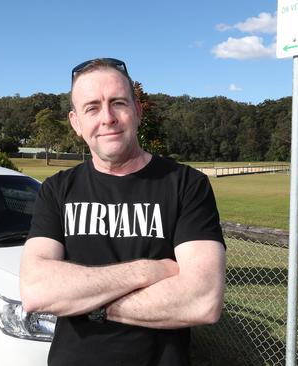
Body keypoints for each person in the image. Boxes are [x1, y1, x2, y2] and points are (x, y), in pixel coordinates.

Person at [20, 58, 226, 366]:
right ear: (76, 123)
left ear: (137, 112)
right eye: (92, 107)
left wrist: (88, 303)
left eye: (118, 103)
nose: (107, 118)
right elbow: (36, 290)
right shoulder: (57, 190)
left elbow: (202, 300)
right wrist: (148, 271)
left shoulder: (187, 185)